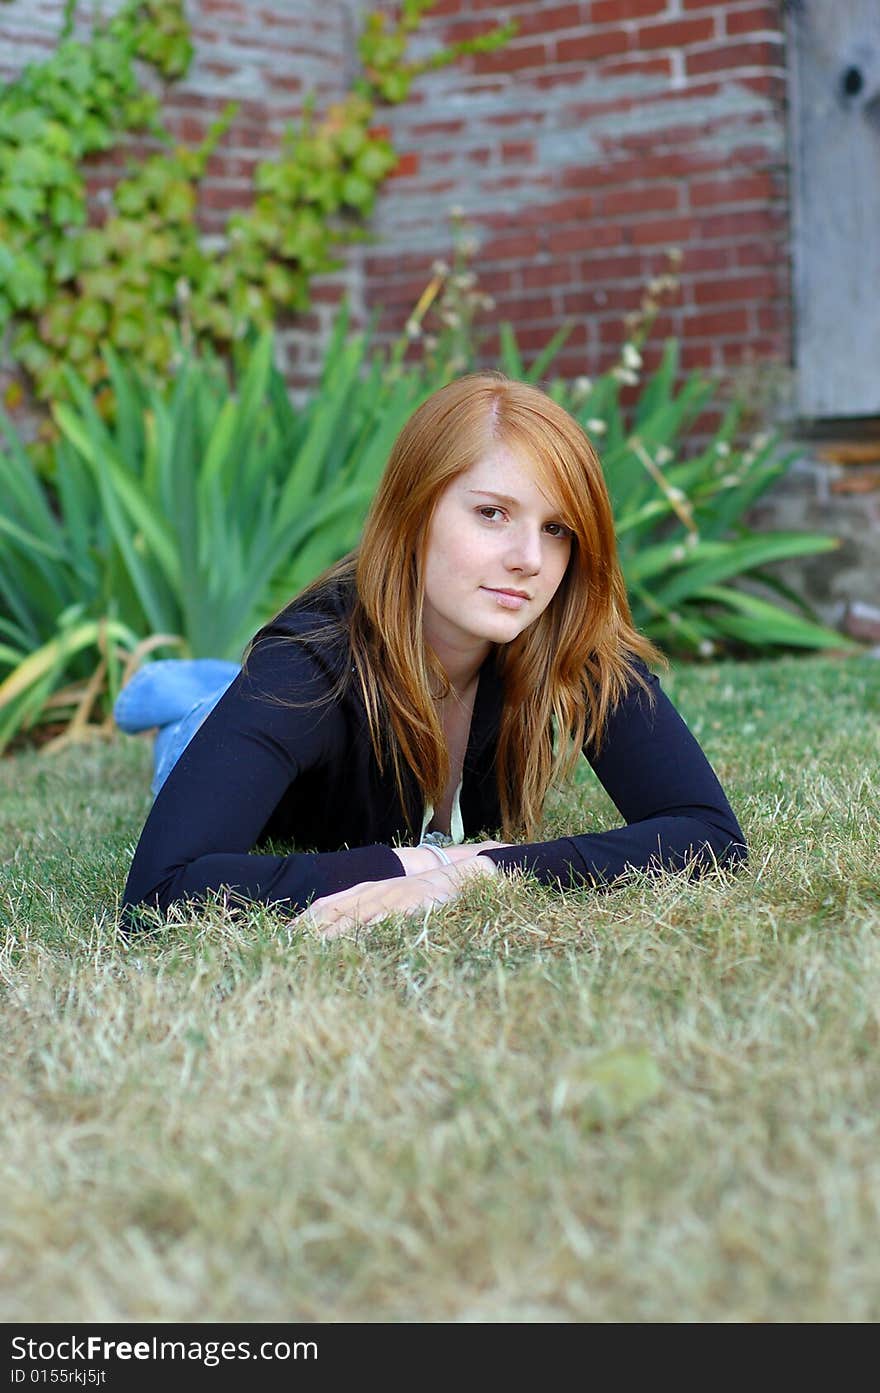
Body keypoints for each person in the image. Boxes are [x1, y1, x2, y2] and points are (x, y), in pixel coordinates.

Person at [118, 371, 747, 938]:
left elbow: (709, 834)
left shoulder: (564, 629)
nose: (529, 559)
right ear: (414, 514)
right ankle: (186, 696)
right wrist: (426, 861)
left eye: (556, 529)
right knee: (205, 719)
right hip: (256, 720)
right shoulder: (305, 666)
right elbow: (161, 892)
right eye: (493, 513)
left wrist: (478, 873)